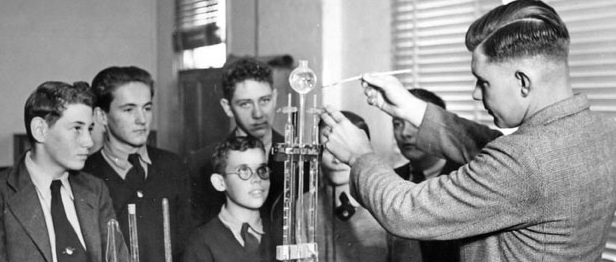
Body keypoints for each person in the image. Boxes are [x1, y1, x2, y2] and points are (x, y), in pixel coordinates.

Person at [320, 0, 616, 261]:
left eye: (483, 81)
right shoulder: (608, 133)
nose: (475, 94)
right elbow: (497, 151)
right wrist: (411, 108)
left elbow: (405, 210)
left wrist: (359, 155)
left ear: (522, 81)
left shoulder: (522, 163)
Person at [0, 81, 128, 262]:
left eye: (89, 129)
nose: (88, 141)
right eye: (77, 128)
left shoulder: (96, 190)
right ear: (40, 130)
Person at [83, 66, 197, 261]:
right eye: (128, 109)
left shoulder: (173, 166)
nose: (142, 119)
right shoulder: (85, 176)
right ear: (102, 116)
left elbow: (190, 242)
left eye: (147, 108)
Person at [192, 57, 285, 226]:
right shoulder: (202, 164)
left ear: (275, 98)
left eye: (265, 100)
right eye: (245, 104)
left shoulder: (300, 161)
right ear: (228, 107)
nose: (258, 113)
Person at [301, 111, 389, 262]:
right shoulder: (304, 206)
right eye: (329, 149)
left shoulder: (386, 205)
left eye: (344, 150)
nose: (337, 160)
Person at [390, 89, 461, 262]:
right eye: (397, 124)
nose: (404, 133)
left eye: (414, 123)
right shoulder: (391, 180)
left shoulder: (464, 178)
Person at [183, 136, 273, 262]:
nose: (257, 179)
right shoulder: (201, 243)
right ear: (219, 182)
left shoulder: (280, 233)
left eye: (262, 170)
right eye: (244, 171)